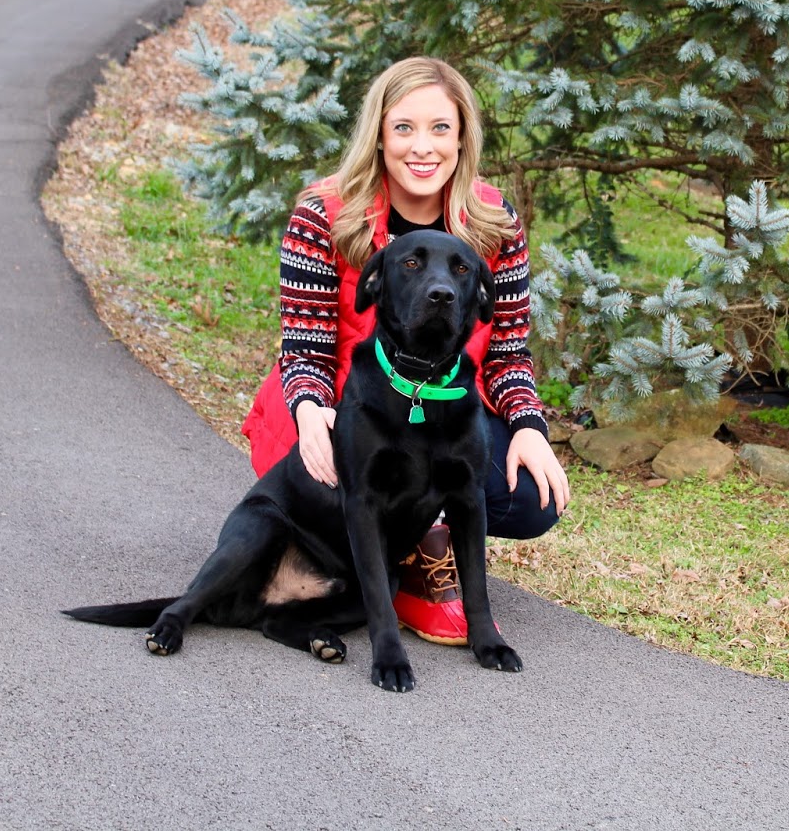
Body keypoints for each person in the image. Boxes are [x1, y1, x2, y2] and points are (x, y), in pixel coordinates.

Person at [241, 56, 570, 645]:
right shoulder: (324, 215)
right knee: (333, 485)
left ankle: (423, 541)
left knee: (527, 499)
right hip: (345, 404)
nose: (423, 147)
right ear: (380, 135)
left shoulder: (495, 223)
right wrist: (309, 409)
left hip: (436, 405)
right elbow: (305, 345)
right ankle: (396, 553)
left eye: (441, 128)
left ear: (463, 137)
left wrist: (527, 425)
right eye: (405, 128)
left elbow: (507, 354)